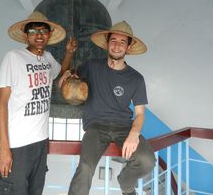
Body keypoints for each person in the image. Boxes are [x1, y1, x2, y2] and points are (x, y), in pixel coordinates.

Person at [60, 21, 156, 195]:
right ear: (107, 43)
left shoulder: (136, 78)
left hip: (124, 127)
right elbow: (66, 80)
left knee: (147, 160)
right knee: (85, 167)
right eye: (113, 40)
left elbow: (140, 113)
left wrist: (134, 134)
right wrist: (67, 69)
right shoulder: (91, 66)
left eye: (122, 42)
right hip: (96, 126)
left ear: (128, 47)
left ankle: (126, 185)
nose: (117, 45)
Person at [0, 11, 77, 195]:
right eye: (33, 30)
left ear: (49, 34)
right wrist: (4, 148)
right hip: (17, 145)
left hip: (40, 142)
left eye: (43, 31)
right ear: (26, 35)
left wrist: (69, 54)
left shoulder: (47, 58)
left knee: (35, 191)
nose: (39, 35)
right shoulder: (13, 58)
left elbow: (59, 72)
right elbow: (1, 104)